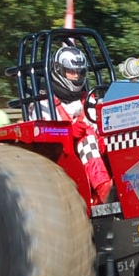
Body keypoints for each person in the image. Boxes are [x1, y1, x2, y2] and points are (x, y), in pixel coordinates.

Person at [44, 46, 114, 204]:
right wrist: (73, 129)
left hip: (94, 146)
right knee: (87, 138)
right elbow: (45, 137)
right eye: (71, 71)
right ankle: (104, 189)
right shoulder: (45, 103)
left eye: (79, 72)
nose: (76, 76)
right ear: (59, 70)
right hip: (62, 155)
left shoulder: (88, 98)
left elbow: (99, 126)